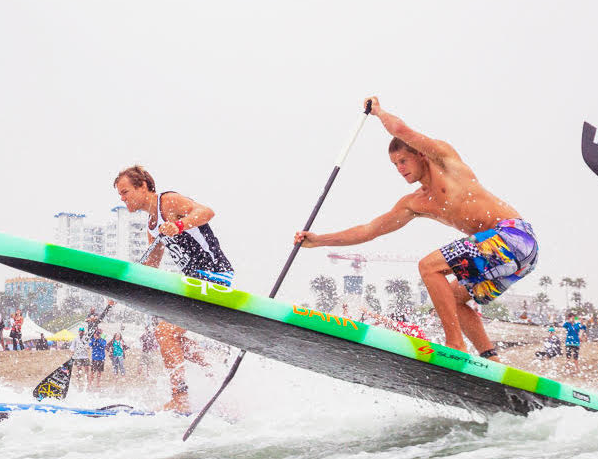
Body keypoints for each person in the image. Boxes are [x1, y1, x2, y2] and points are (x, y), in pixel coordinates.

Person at [294, 98, 537, 361]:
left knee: (428, 267)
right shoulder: (416, 203)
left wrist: (378, 112)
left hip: (514, 237)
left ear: (421, 154)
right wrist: (318, 240)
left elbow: (402, 131)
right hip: (518, 258)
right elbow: (369, 230)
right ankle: (491, 361)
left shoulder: (446, 162)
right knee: (454, 301)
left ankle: (455, 346)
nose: (400, 169)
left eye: (403, 161)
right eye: (395, 165)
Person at [114, 164, 235, 412]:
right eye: (120, 195)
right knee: (172, 335)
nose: (123, 198)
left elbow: (207, 212)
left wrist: (179, 226)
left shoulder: (167, 202)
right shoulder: (151, 226)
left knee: (165, 332)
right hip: (194, 283)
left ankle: (180, 399)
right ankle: (216, 375)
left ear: (143, 186)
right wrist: (118, 291)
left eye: (125, 192)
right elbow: (151, 267)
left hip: (214, 277)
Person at [71, 326, 91, 391]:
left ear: (84, 332)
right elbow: (72, 346)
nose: (81, 332)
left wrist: (88, 347)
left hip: (85, 356)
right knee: (79, 370)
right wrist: (72, 351)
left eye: (82, 331)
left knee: (87, 370)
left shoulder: (86, 338)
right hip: (78, 356)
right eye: (80, 331)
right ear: (78, 332)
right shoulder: (76, 338)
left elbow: (89, 345)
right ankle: (79, 383)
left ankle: (88, 383)